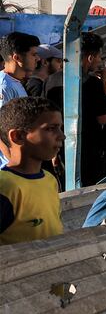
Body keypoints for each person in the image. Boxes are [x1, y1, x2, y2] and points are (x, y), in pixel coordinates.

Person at [0, 96, 64, 244]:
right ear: (17, 136)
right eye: (50, 129)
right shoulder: (5, 188)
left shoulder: (49, 179)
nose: (62, 136)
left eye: (60, 128)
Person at [72, 32, 106, 185]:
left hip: (61, 148)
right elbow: (103, 118)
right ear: (90, 58)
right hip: (88, 149)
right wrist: (104, 83)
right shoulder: (93, 84)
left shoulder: (52, 80)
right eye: (99, 57)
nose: (99, 61)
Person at [0, 32, 38, 106]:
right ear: (17, 57)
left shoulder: (13, 81)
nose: (38, 58)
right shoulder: (5, 86)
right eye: (33, 55)